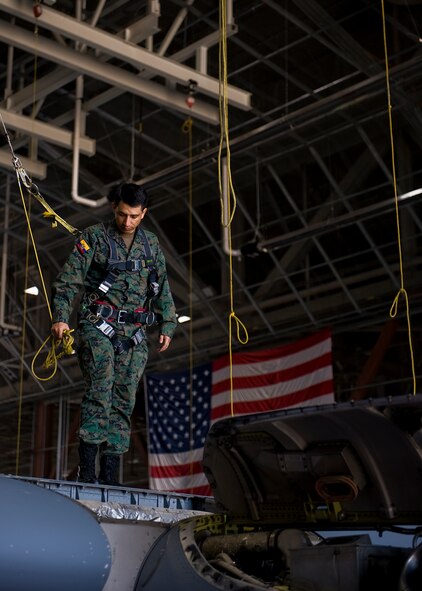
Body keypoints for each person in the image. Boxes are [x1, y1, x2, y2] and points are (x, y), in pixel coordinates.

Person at [51, 182, 177, 486]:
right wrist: (60, 319)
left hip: (134, 335)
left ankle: (109, 476)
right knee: (100, 391)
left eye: (134, 216)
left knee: (124, 400)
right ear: (114, 209)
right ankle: (88, 473)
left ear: (143, 213)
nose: (127, 222)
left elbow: (162, 286)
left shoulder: (150, 245)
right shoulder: (94, 238)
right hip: (98, 327)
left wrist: (168, 323)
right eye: (122, 214)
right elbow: (68, 282)